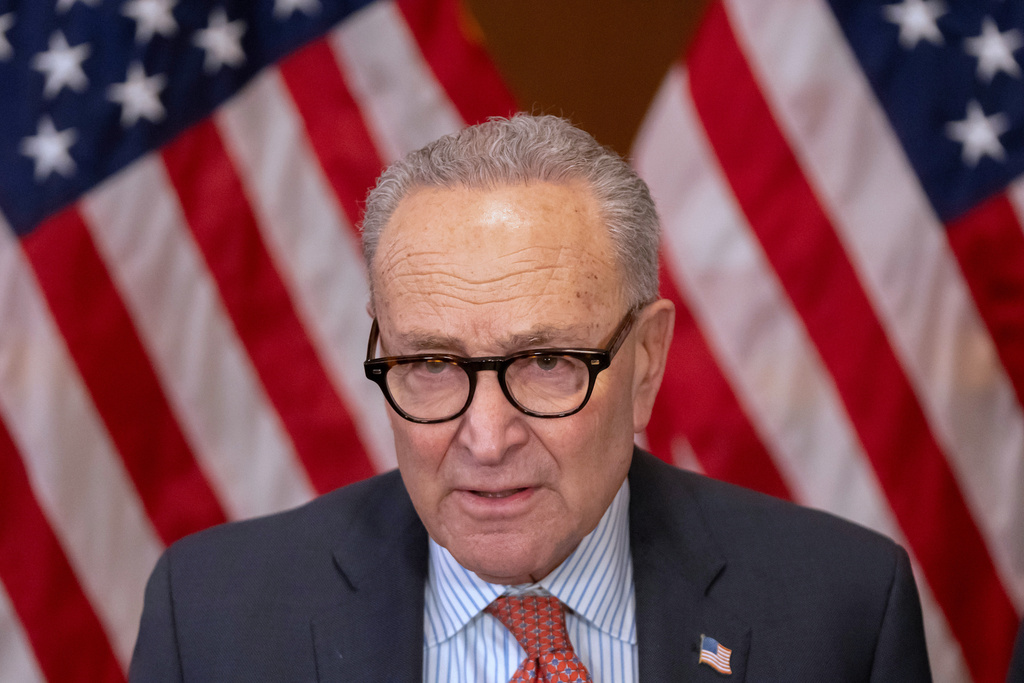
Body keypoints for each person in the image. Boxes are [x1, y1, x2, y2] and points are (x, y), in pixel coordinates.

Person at [129, 114, 932, 681]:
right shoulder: (211, 621)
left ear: (646, 361)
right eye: (433, 363)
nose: (485, 437)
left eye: (546, 360)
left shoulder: (843, 610)